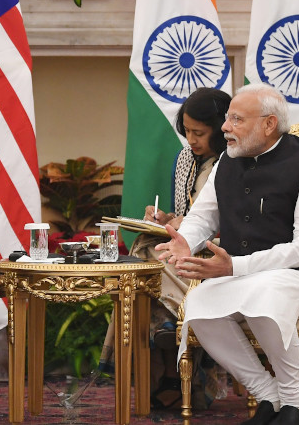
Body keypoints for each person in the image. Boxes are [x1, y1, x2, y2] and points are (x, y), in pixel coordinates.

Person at [156, 83, 299, 425]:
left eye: (236, 119)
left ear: (269, 124)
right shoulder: (227, 163)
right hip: (250, 275)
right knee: (199, 307)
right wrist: (184, 239)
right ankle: (269, 397)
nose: (225, 127)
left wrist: (236, 266)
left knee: (266, 293)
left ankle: (297, 404)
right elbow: (203, 216)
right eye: (227, 119)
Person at [101, 88, 231, 410]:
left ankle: (168, 328)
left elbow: (231, 220)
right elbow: (185, 213)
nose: (191, 140)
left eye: (199, 133)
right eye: (186, 131)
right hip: (184, 246)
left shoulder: (235, 160)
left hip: (222, 253)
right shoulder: (186, 159)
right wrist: (164, 219)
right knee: (149, 248)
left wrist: (189, 227)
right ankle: (168, 331)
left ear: (220, 128)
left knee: (143, 266)